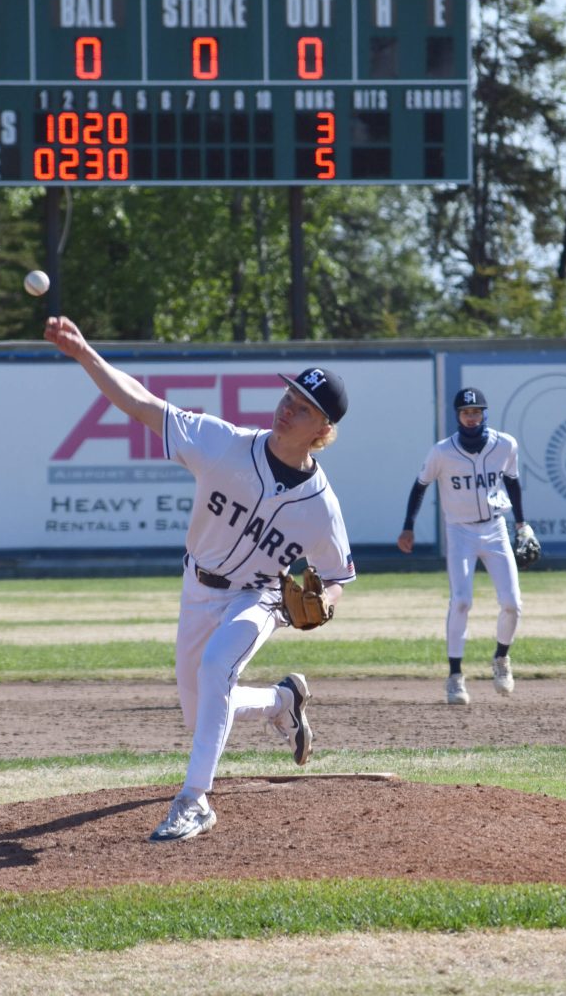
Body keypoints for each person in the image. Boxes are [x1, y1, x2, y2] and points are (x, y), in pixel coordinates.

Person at [44, 317, 356, 841]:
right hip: (198, 588)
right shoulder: (224, 444)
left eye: (303, 407)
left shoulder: (321, 508)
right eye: (289, 396)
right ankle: (283, 702)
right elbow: (142, 404)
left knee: (217, 668)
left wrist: (324, 600)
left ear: (322, 431)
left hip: (257, 597)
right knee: (202, 713)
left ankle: (194, 801)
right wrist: (85, 355)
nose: (287, 408)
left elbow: (339, 574)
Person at [397, 386, 536, 706]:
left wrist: (521, 523)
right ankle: (455, 676)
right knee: (461, 601)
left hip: (495, 528)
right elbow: (420, 486)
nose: (471, 417)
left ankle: (501, 659)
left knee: (513, 602)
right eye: (465, 412)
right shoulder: (442, 452)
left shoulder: (505, 445)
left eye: (476, 412)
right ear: (457, 416)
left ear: (484, 413)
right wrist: (408, 526)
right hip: (459, 532)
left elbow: (513, 482)